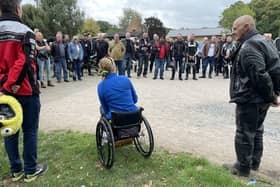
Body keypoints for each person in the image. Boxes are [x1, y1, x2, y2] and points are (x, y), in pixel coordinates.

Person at [224, 15, 280, 177]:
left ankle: (242, 167)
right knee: (256, 130)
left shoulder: (250, 45)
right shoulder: (263, 41)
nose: (233, 32)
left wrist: (271, 96)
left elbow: (260, 74)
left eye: (235, 28)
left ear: (246, 27)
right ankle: (253, 163)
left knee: (245, 132)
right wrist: (273, 94)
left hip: (250, 96)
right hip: (259, 97)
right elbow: (275, 69)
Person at [0, 0, 48, 182]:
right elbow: (24, 62)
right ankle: (29, 170)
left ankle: (16, 170)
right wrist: (10, 84)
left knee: (9, 129)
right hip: (25, 89)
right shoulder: (26, 32)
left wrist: (3, 86)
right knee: (30, 130)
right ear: (18, 9)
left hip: (3, 93)